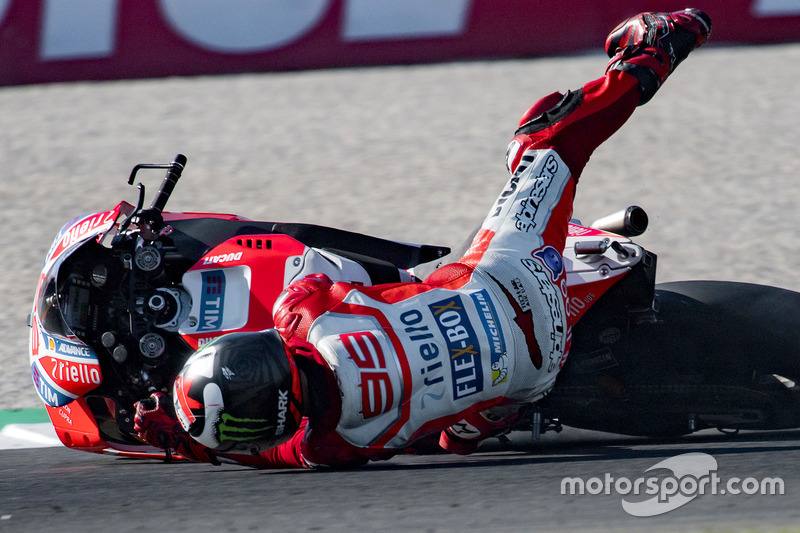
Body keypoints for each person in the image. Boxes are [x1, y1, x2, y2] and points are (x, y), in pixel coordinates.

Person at [135, 9, 712, 468]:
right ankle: (655, 48)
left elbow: (260, 455)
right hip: (510, 281)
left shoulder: (331, 446)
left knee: (442, 442)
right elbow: (326, 268)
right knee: (544, 141)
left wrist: (185, 439)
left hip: (532, 373)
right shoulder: (303, 315)